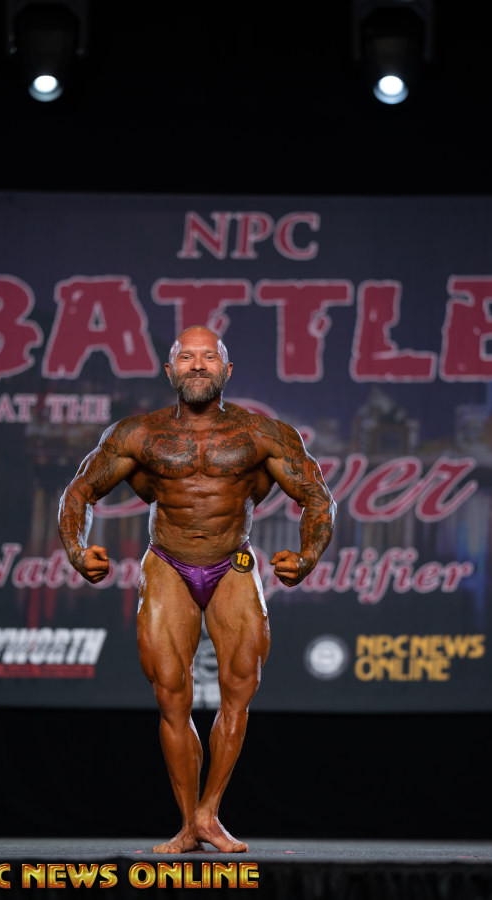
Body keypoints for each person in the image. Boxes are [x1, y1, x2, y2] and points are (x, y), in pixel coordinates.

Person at [58, 325, 336, 853]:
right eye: (187, 357)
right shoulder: (139, 434)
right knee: (171, 695)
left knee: (239, 690)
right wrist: (77, 549)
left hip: (233, 563)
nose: (198, 365)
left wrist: (307, 557)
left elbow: (318, 497)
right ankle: (188, 823)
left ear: (227, 370)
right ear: (171, 370)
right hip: (168, 563)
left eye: (209, 356)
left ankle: (210, 813)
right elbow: (79, 491)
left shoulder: (262, 433)